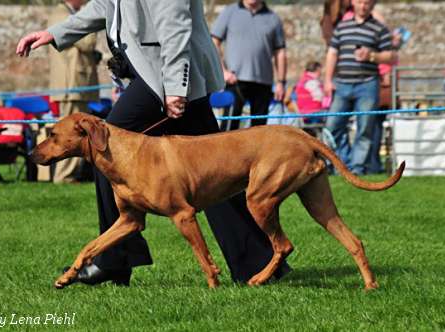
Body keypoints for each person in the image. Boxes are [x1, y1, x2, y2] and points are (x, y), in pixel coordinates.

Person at [16, 0, 290, 286]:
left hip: (165, 76)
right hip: (162, 75)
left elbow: (175, 25)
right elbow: (105, 5)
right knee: (218, 172)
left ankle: (114, 259)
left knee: (102, 144)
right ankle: (256, 262)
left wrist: (174, 87)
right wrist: (56, 33)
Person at [324, 0, 395, 175]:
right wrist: (327, 79)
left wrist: (372, 55)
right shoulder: (342, 27)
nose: (363, 6)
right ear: (353, 2)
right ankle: (343, 163)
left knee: (365, 129)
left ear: (372, 5)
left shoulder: (379, 28)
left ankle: (356, 169)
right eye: (360, 2)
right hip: (342, 84)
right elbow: (332, 53)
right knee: (332, 126)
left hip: (368, 84)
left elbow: (391, 56)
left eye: (367, 3)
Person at [211, 0, 287, 131]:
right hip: (235, 81)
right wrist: (222, 71)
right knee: (228, 131)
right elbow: (214, 42)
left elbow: (280, 52)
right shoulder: (229, 12)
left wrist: (281, 82)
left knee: (259, 132)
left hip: (263, 83)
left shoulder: (273, 18)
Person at [48, 0, 100, 184]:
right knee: (69, 134)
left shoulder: (64, 12)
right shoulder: (62, 14)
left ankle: (70, 174)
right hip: (71, 84)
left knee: (75, 132)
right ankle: (64, 176)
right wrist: (92, 20)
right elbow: (87, 43)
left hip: (75, 82)